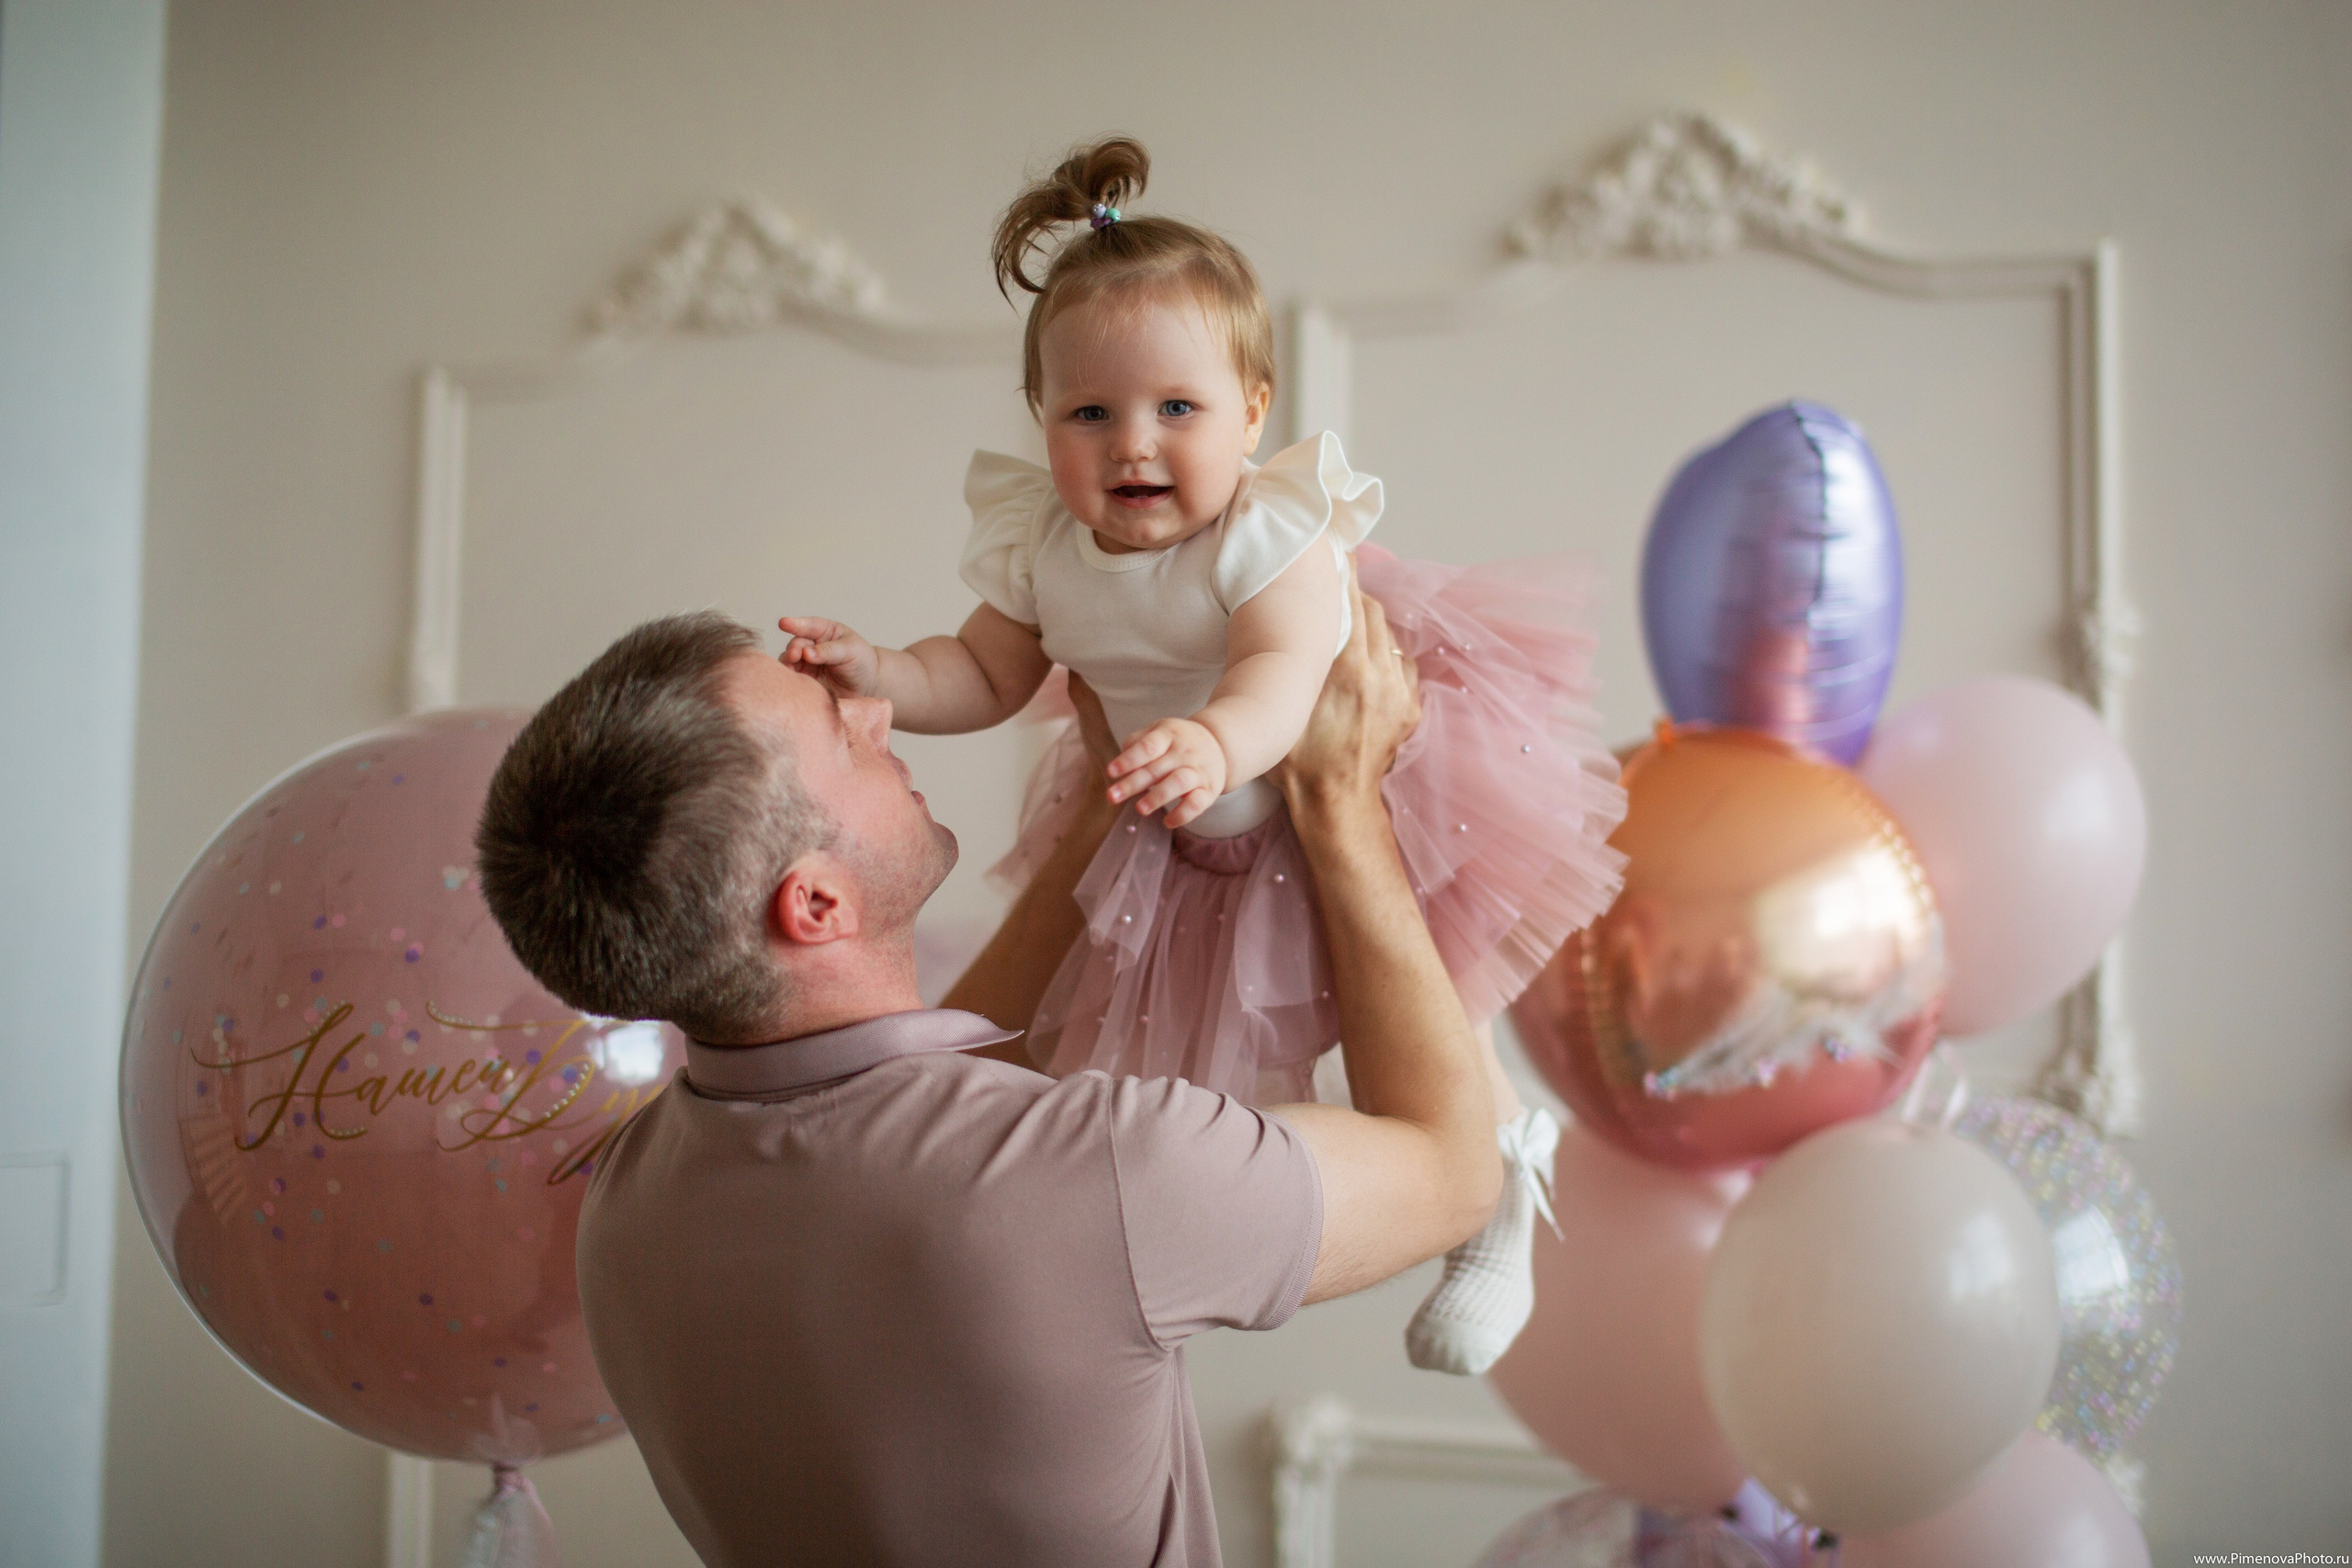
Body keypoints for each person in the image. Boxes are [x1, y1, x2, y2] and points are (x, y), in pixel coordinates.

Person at [775, 136, 1626, 1371]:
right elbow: (989, 672)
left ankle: (1502, 1184)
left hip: (1339, 761)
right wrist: (887, 676)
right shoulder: (1040, 551)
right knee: (1208, 1051)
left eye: (1179, 409)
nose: (1134, 444)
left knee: (1436, 985)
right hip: (1180, 811)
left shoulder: (1264, 534)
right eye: (1091, 412)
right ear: (1042, 419)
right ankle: (1237, 1239)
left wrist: (1218, 735)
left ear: (1253, 412)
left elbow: (1286, 672)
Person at [473, 588, 1500, 1566]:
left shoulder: (626, 1208)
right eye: (841, 734)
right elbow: (1453, 1171)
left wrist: (1112, 807)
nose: (878, 713)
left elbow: (948, 1097)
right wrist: (1338, 796)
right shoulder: (1098, 1175)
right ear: (817, 906)